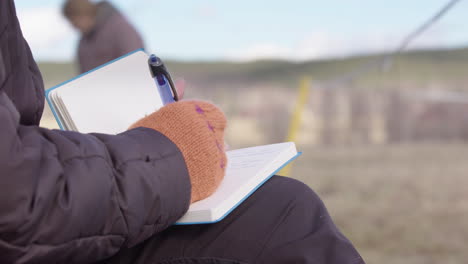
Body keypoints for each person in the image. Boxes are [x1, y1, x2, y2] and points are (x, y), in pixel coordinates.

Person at [0, 1, 365, 263]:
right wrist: (170, 151)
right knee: (284, 213)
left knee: (281, 203)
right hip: (37, 222)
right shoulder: (87, 41)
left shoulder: (117, 29)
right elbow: (16, 196)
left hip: (66, 188)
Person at [62, 0, 144, 73]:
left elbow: (136, 64)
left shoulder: (121, 29)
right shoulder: (83, 42)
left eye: (74, 23)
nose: (74, 27)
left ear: (82, 15)